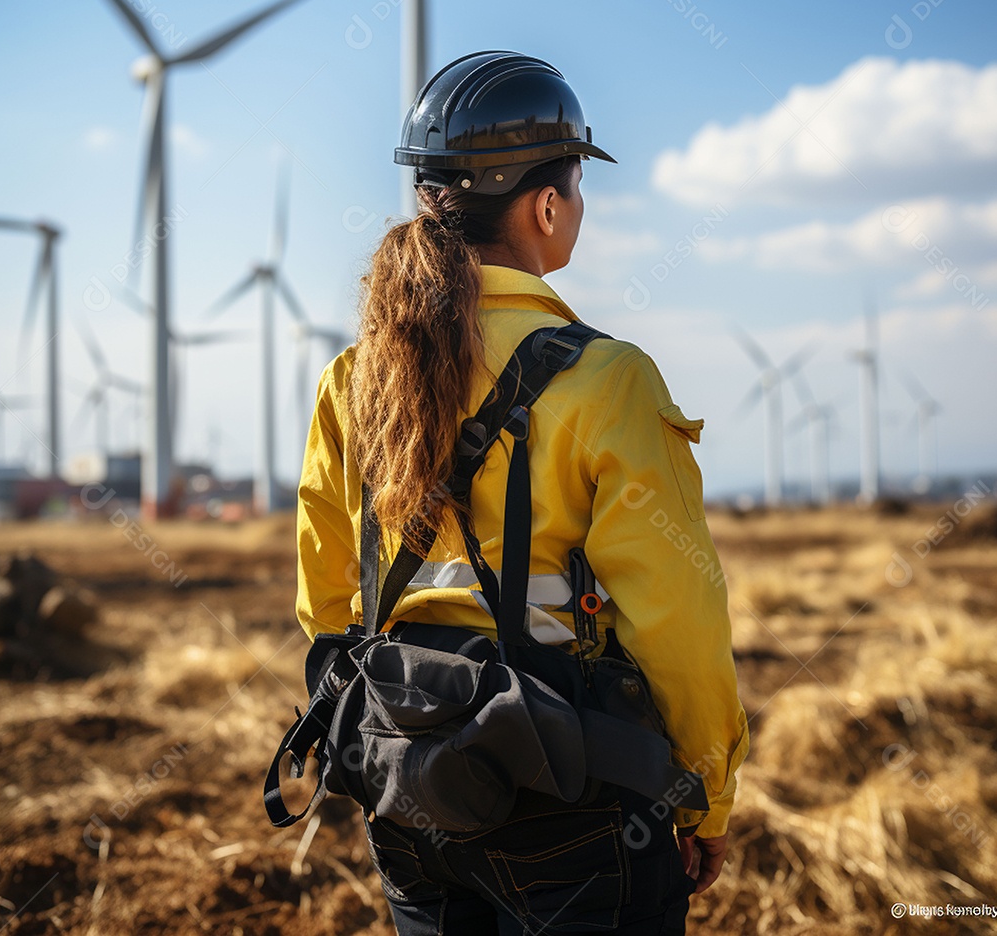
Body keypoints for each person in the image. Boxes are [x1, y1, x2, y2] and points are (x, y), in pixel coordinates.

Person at [295, 50, 749, 934]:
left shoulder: (354, 379)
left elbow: (325, 601)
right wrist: (701, 797)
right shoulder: (608, 380)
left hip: (406, 785)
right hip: (570, 793)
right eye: (577, 185)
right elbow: (679, 617)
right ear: (547, 204)